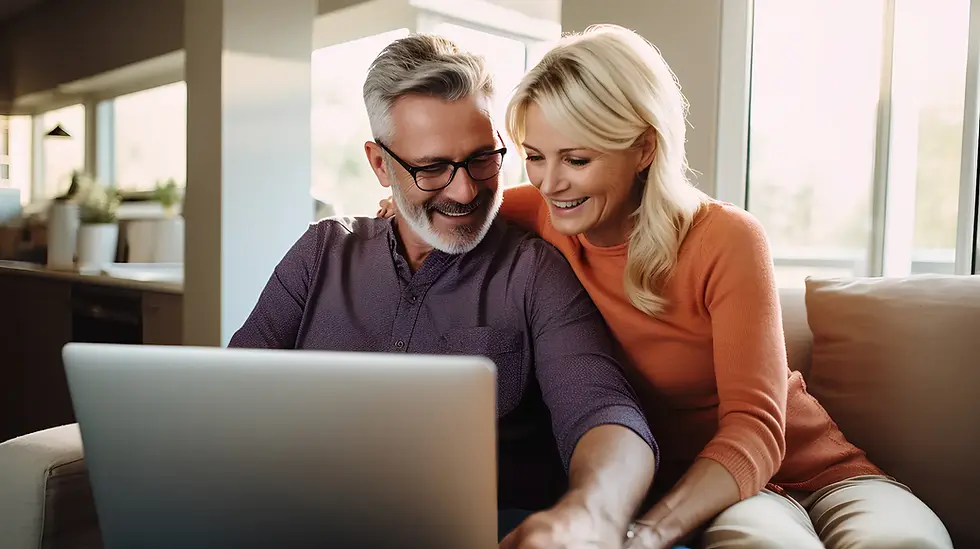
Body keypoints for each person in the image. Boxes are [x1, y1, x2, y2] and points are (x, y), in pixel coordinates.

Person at [378, 24, 953, 549]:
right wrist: (397, 208)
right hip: (722, 498)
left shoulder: (724, 237)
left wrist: (650, 532)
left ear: (644, 149)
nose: (551, 183)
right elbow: (445, 206)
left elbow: (756, 429)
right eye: (534, 157)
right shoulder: (534, 214)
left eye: (577, 159)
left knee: (904, 544)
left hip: (818, 473)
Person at [228, 33, 661, 547]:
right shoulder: (321, 254)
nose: (465, 191)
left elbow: (605, 413)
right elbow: (232, 398)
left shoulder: (533, 272)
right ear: (380, 165)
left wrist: (592, 512)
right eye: (432, 168)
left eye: (483, 159)